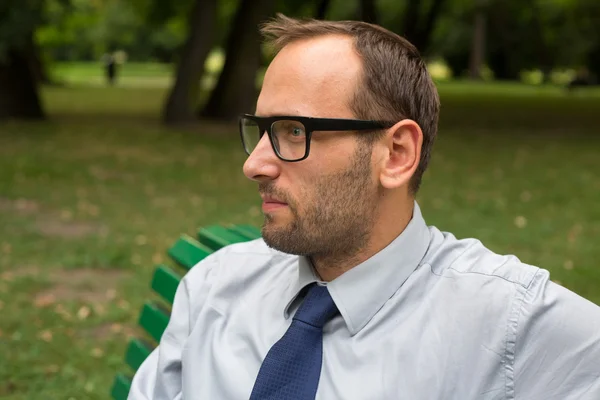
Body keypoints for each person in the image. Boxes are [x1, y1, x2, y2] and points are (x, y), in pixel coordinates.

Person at [129, 15, 600, 400]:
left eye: (294, 131)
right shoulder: (215, 285)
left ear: (396, 155)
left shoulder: (508, 324)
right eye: (261, 128)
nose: (254, 164)